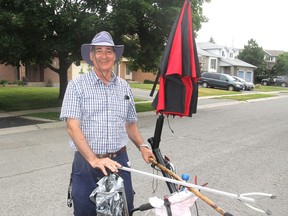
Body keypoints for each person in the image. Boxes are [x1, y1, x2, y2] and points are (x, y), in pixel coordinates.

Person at [60, 31, 155, 216]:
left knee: (123, 210)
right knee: (86, 211)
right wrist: (94, 159)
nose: (104, 56)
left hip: (118, 162)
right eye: (99, 51)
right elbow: (72, 127)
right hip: (87, 163)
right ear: (91, 56)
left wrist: (142, 146)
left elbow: (130, 124)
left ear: (115, 56)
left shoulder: (124, 87)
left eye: (108, 51)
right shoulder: (76, 86)